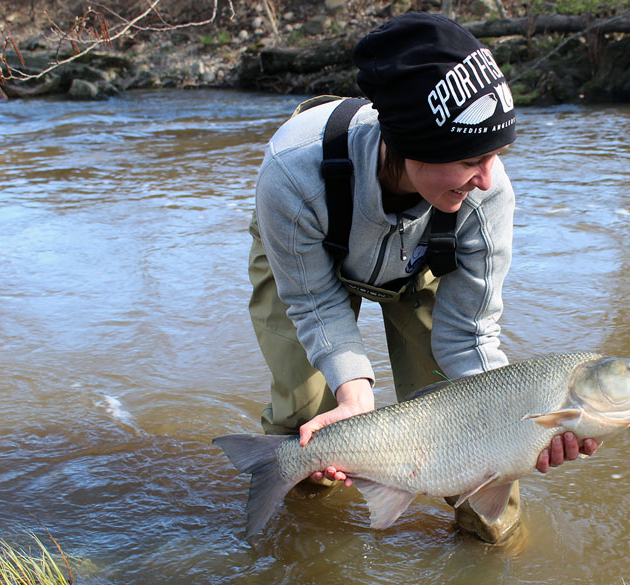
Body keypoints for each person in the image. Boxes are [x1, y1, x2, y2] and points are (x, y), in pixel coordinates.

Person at [248, 11, 597, 544]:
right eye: (471, 159)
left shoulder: (485, 194)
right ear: (411, 145)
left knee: (474, 444)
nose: (488, 178)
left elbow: (472, 336)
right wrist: (354, 396)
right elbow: (315, 301)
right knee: (306, 429)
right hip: (309, 264)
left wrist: (521, 430)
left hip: (425, 264)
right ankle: (302, 529)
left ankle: (489, 547)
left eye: (496, 155)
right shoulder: (292, 171)